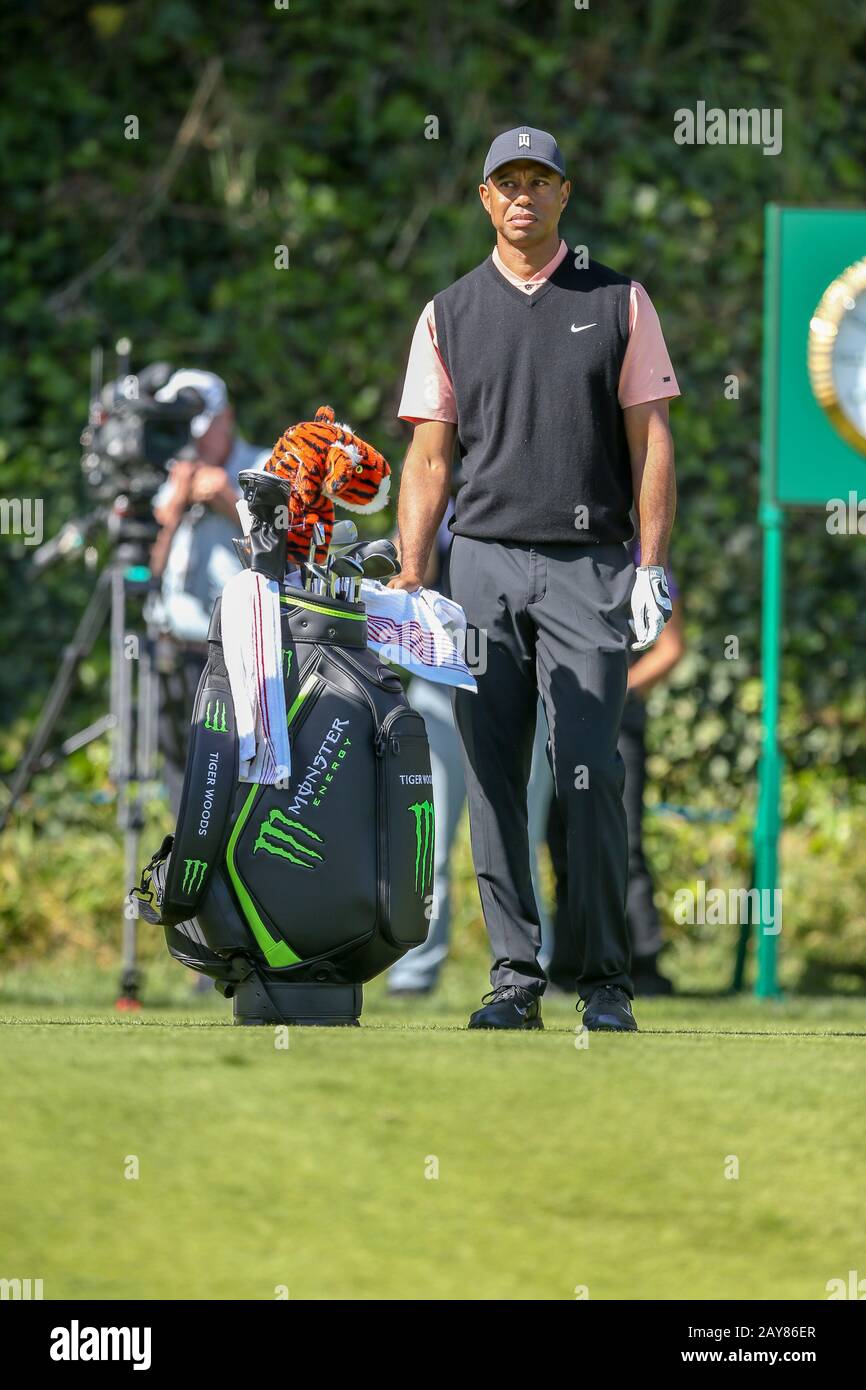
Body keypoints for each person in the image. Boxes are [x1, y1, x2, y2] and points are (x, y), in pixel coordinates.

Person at [389, 125, 679, 1031]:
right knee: (489, 776)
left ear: (564, 193)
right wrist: (413, 572)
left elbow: (653, 439)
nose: (522, 194)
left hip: (589, 566)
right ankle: (514, 979)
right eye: (505, 181)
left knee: (590, 766)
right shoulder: (448, 312)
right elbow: (429, 460)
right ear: (484, 199)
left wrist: (651, 566)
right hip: (479, 563)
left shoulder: (621, 301)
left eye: (539, 179)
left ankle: (602, 982)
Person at [531, 546, 685, 995]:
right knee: (562, 843)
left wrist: (609, 690)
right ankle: (569, 963)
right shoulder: (564, 558)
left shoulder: (643, 560)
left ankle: (644, 962)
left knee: (623, 842)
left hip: (617, 724)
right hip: (563, 720)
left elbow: (671, 649)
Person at [148, 369, 270, 813]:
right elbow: (146, 568)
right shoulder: (167, 475)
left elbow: (290, 553)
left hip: (231, 661)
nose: (195, 444)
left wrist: (228, 500)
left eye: (202, 432)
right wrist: (175, 503)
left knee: (231, 790)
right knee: (179, 786)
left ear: (228, 419)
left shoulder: (261, 467)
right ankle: (181, 875)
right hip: (172, 655)